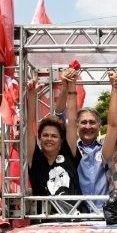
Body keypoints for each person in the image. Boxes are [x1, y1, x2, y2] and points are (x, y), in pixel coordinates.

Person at [25, 75, 81, 206]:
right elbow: (28, 124)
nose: (49, 139)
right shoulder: (35, 157)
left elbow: (72, 120)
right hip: (43, 223)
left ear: (61, 139)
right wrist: (32, 95)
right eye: (45, 135)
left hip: (74, 220)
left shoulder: (69, 153)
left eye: (54, 136)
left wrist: (71, 85)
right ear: (39, 137)